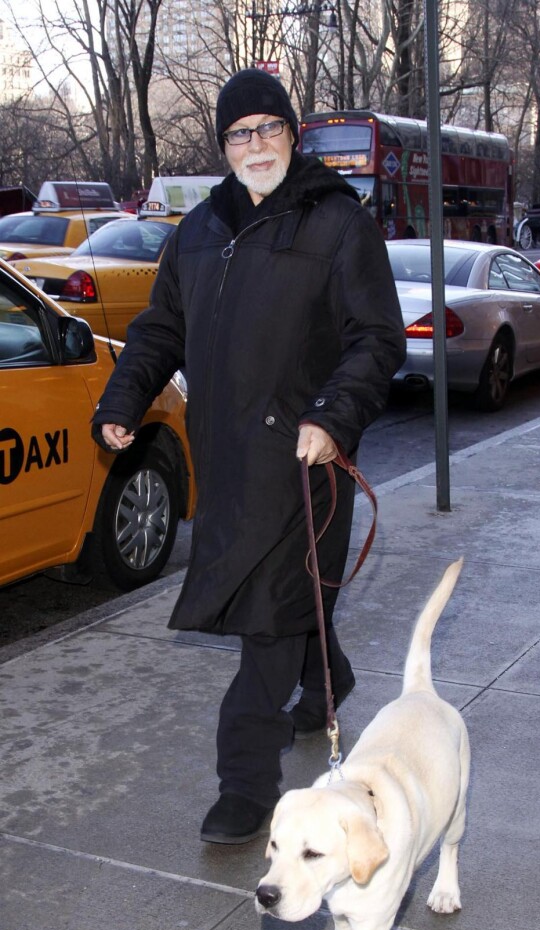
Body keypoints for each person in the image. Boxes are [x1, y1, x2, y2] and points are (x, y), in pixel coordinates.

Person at [91, 68, 406, 845]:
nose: (256, 145)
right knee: (286, 601)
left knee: (269, 620)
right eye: (240, 133)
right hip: (226, 460)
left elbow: (378, 338)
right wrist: (123, 400)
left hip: (305, 461)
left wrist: (334, 415)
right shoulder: (199, 230)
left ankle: (245, 785)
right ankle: (327, 674)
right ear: (223, 145)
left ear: (292, 136)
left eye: (269, 128)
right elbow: (162, 327)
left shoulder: (336, 221)